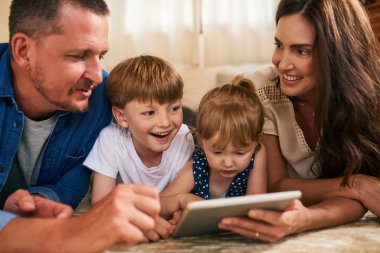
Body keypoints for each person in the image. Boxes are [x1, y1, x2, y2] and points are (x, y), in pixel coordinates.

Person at [0, 0, 161, 251]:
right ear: (23, 51)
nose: (97, 75)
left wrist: (36, 201)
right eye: (78, 56)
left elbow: (70, 185)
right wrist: (62, 234)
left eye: (101, 55)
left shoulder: (102, 97)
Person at [217, 0, 380, 242]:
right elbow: (275, 185)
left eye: (301, 50)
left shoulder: (369, 96)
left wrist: (307, 218)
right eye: (279, 45)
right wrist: (355, 184)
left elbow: (360, 200)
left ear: (337, 54)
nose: (282, 63)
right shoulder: (262, 90)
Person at [84, 55, 194, 240]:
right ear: (122, 117)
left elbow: (185, 201)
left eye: (174, 108)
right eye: (149, 112)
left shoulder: (186, 138)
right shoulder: (110, 139)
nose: (165, 122)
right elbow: (101, 206)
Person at [160, 76, 267, 218]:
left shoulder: (258, 153)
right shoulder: (197, 168)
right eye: (217, 152)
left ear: (256, 143)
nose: (228, 163)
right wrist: (181, 200)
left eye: (240, 153)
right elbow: (158, 205)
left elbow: (256, 206)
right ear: (202, 142)